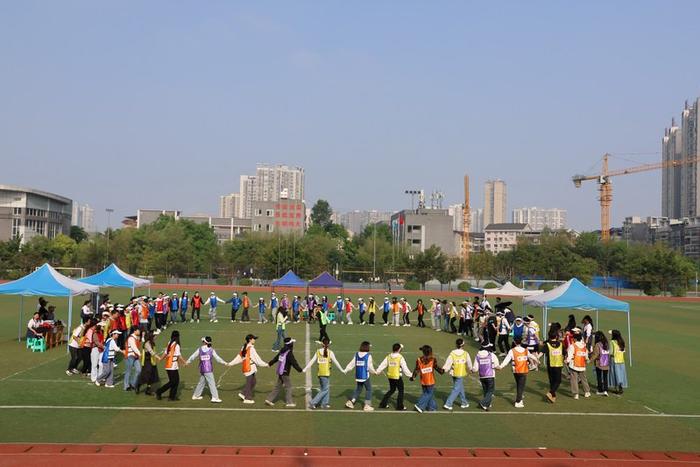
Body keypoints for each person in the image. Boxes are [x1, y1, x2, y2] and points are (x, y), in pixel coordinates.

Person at [303, 337, 345, 409]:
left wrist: (305, 369)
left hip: (320, 373)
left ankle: (324, 403)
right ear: (328, 344)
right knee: (324, 389)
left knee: (326, 388)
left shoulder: (318, 351)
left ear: (322, 344)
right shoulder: (330, 352)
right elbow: (336, 362)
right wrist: (342, 370)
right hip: (326, 373)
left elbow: (312, 361)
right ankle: (313, 402)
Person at [186, 336, 228, 403]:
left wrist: (187, 362)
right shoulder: (211, 350)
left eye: (203, 341)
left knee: (201, 382)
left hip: (202, 369)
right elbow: (218, 358)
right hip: (208, 369)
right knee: (212, 383)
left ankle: (196, 395)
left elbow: (193, 356)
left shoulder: (200, 349)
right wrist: (224, 363)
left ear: (204, 342)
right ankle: (215, 397)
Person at [498, 337, 538, 408]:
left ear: (514, 342)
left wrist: (501, 366)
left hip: (515, 370)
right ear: (521, 341)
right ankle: (518, 401)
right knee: (521, 386)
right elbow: (531, 356)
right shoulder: (525, 350)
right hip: (523, 370)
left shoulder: (512, 351)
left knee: (519, 384)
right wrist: (537, 360)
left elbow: (506, 360)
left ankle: (520, 397)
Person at [230, 334, 269, 404]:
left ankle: (243, 393)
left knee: (253, 382)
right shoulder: (251, 348)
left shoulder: (244, 347)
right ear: (250, 340)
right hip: (249, 368)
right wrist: (266, 364)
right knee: (249, 383)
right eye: (254, 339)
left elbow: (239, 357)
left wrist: (231, 363)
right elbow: (257, 360)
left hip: (248, 367)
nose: (254, 340)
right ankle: (247, 398)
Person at [265, 337, 303, 407]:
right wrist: (300, 370)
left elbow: (276, 358)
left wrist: (270, 363)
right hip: (285, 372)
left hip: (280, 371)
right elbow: (294, 362)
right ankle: (289, 402)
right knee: (288, 387)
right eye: (292, 343)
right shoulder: (289, 353)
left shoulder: (282, 350)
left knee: (278, 386)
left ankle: (269, 399)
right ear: (290, 344)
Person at [375, 343, 412, 411]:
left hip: (390, 376)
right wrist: (411, 375)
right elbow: (405, 368)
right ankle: (400, 406)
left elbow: (383, 365)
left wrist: (377, 371)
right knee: (401, 391)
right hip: (397, 377)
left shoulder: (389, 356)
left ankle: (383, 403)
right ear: (399, 349)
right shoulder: (400, 357)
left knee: (392, 390)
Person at [344, 341, 376, 411]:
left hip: (358, 376)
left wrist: (346, 369)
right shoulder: (368, 355)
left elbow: (352, 364)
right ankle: (367, 405)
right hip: (365, 376)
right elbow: (370, 367)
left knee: (358, 389)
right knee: (369, 389)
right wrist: (374, 372)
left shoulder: (357, 354)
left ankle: (351, 402)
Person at [411, 345, 444, 413]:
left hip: (423, 380)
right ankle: (419, 405)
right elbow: (436, 367)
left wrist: (413, 377)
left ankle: (432, 407)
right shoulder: (432, 359)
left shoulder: (419, 360)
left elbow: (416, 369)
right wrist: (442, 371)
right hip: (430, 380)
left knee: (427, 393)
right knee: (428, 394)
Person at [442, 338, 472, 410]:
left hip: (453, 373)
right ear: (463, 345)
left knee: (460, 387)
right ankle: (448, 404)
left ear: (456, 345)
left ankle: (464, 402)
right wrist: (471, 369)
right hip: (460, 373)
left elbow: (448, 363)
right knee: (456, 389)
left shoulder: (452, 353)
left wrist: (444, 369)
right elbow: (469, 363)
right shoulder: (465, 353)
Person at [156, 330, 186, 401]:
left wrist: (161, 359)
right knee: (173, 381)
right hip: (172, 365)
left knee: (175, 381)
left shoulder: (169, 343)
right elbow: (179, 356)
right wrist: (184, 362)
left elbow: (165, 353)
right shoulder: (177, 345)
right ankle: (160, 391)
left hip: (169, 365)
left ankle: (172, 396)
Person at [473, 342, 500, 411]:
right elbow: (496, 365)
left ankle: (486, 404)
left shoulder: (477, 355)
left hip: (482, 376)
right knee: (491, 390)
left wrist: (473, 370)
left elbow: (475, 368)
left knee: (485, 390)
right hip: (490, 375)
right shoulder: (492, 355)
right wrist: (498, 367)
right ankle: (483, 402)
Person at [540, 330, 564, 403]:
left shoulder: (547, 344)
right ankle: (551, 392)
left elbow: (541, 353)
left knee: (552, 381)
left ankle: (553, 397)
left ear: (549, 337)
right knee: (558, 381)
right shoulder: (560, 344)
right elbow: (564, 353)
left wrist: (536, 359)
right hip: (558, 365)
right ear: (556, 336)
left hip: (550, 365)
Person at [566, 329, 591, 400]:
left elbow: (570, 356)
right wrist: (587, 359)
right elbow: (586, 355)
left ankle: (576, 394)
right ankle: (587, 392)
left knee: (574, 379)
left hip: (574, 365)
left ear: (575, 338)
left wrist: (567, 361)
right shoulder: (584, 346)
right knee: (584, 379)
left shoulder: (572, 346)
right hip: (582, 365)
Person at [136, 330, 159, 395]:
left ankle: (148, 390)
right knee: (145, 376)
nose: (156, 337)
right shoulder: (147, 343)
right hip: (147, 362)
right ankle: (138, 385)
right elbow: (151, 352)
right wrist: (159, 357)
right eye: (155, 335)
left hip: (152, 362)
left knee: (152, 376)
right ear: (152, 336)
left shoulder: (152, 342)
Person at [590, 331, 611, 396]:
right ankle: (606, 390)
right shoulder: (606, 344)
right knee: (605, 377)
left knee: (599, 377)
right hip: (606, 363)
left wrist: (590, 360)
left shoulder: (597, 345)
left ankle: (600, 390)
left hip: (599, 363)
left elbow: (595, 354)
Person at [608, 329, 628, 395]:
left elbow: (611, 352)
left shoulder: (612, 342)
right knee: (621, 374)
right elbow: (623, 351)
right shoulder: (622, 341)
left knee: (615, 374)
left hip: (614, 360)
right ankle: (621, 387)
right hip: (621, 360)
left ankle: (618, 388)